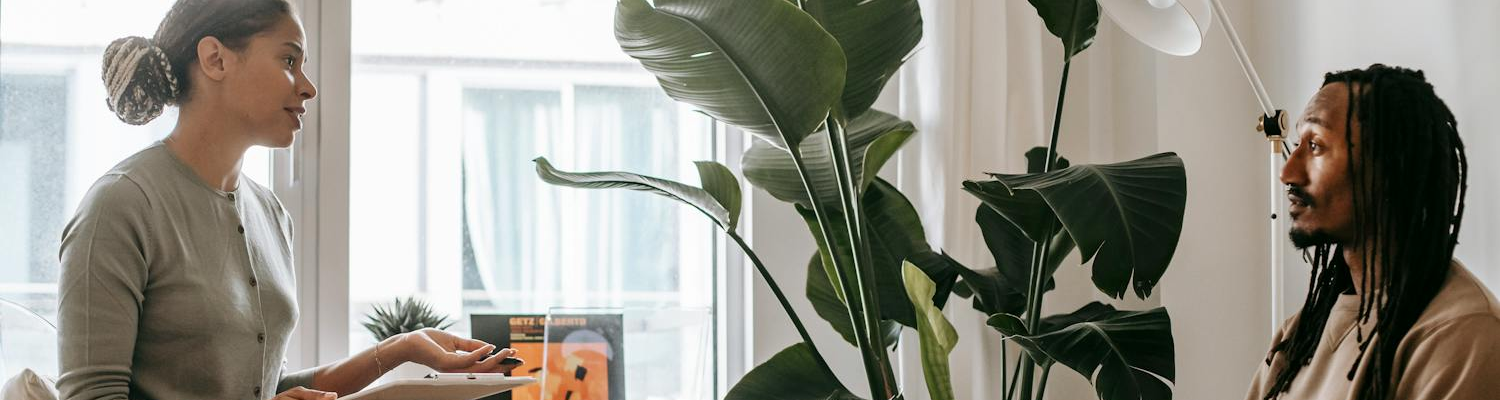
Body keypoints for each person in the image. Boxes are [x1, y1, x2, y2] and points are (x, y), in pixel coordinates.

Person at [57, 1, 519, 399]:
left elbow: (262, 388)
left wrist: (400, 350)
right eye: (289, 61)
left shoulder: (271, 215)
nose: (308, 87)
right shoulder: (121, 207)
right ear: (216, 59)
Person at [1244, 64, 1500, 400]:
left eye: (1317, 146)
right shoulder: (1300, 333)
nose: (1288, 172)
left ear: (1389, 166)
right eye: (1298, 144)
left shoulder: (1463, 334)